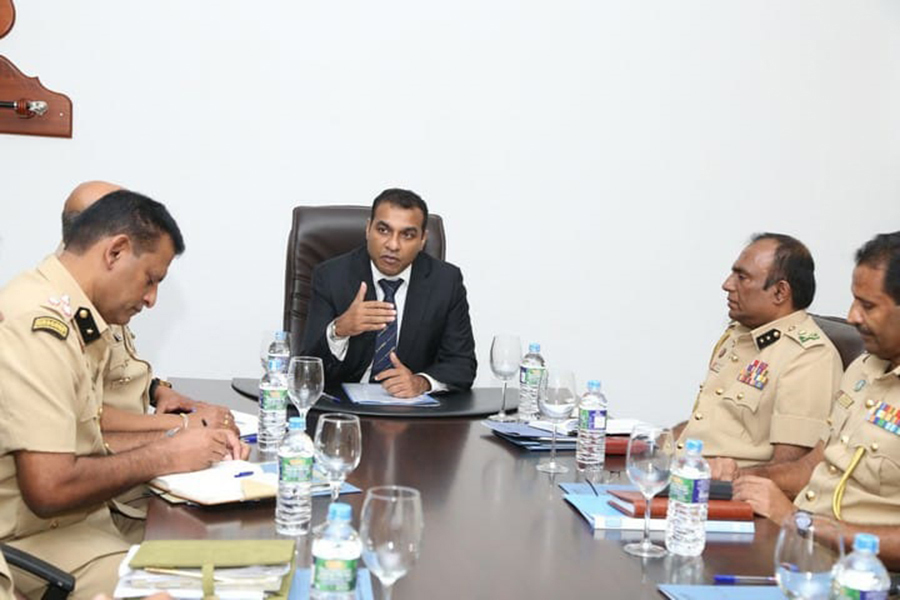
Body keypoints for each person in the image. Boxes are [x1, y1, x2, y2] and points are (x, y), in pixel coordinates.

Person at [0, 191, 246, 600]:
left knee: (228, 559)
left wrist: (180, 438)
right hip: (32, 538)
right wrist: (167, 452)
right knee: (195, 587)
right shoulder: (40, 326)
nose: (151, 299)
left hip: (79, 521)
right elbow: (48, 488)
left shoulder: (73, 314)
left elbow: (88, 430)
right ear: (116, 251)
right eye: (150, 279)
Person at [59, 181, 241, 543]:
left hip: (123, 486)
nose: (152, 297)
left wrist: (160, 391)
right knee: (215, 543)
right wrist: (179, 431)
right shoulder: (63, 315)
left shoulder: (99, 298)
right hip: (106, 505)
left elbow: (117, 374)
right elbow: (91, 419)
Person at [731, 232, 900, 568]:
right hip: (800, 552)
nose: (852, 316)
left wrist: (801, 522)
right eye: (854, 300)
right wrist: (739, 480)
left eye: (868, 305)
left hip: (858, 576)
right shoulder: (865, 369)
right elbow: (813, 466)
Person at [676, 233, 843, 468]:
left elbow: (787, 471)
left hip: (721, 493)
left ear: (780, 292)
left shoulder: (809, 357)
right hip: (682, 472)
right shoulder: (738, 335)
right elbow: (711, 425)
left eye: (742, 277)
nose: (727, 284)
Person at [301, 188, 476, 398]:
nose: (393, 245)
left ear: (422, 240)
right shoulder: (331, 276)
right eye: (383, 230)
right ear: (368, 229)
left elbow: (462, 365)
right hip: (343, 409)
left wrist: (420, 383)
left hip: (412, 415)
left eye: (407, 235)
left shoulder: (446, 282)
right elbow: (306, 369)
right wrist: (340, 330)